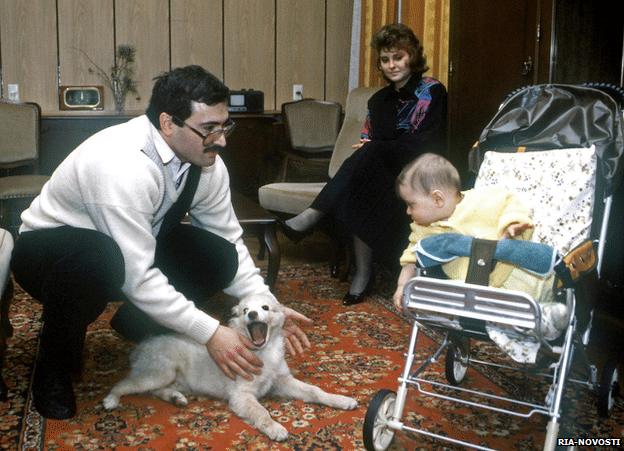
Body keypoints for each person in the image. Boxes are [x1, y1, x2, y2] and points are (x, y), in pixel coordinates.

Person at [11, 65, 312, 420]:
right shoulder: (120, 163)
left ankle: (138, 324)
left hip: (127, 246)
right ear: (168, 123)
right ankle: (54, 366)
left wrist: (269, 304)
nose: (222, 139)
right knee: (98, 258)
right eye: (209, 129)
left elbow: (228, 235)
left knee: (220, 255)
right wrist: (210, 332)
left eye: (225, 125)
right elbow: (136, 276)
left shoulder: (207, 162)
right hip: (49, 254)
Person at [281, 23, 447, 306]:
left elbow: (424, 143)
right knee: (364, 178)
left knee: (369, 156)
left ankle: (315, 215)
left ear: (412, 57)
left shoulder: (431, 91)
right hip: (383, 171)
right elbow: (367, 140)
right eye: (385, 59)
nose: (392, 65)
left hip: (422, 169)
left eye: (398, 57)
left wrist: (377, 147)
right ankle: (362, 271)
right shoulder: (377, 100)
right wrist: (376, 147)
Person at [393, 153, 569, 363]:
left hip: (508, 275)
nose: (407, 211)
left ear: (438, 199)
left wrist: (513, 223)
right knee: (446, 299)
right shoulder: (423, 229)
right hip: (468, 291)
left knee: (524, 296)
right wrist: (402, 285)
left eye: (411, 204)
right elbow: (411, 257)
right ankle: (534, 323)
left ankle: (546, 316)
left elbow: (510, 204)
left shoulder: (486, 199)